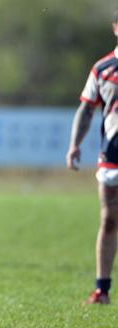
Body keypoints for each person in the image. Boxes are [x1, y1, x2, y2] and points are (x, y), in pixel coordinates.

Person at [66, 9, 118, 305]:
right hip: (112, 156)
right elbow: (86, 109)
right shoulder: (102, 69)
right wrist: (74, 145)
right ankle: (102, 290)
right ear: (115, 28)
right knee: (109, 219)